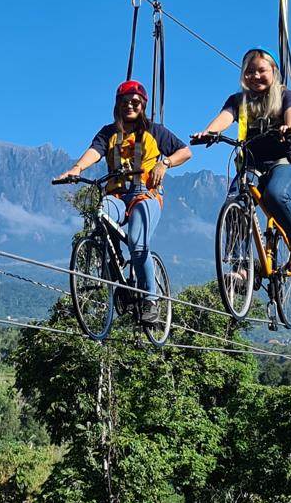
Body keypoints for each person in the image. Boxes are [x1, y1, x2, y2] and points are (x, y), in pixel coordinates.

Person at [55, 80, 192, 323]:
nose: (130, 106)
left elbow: (185, 151)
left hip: (145, 195)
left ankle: (151, 298)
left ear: (143, 105)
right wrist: (76, 169)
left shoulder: (155, 131)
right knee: (101, 213)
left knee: (138, 243)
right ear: (117, 105)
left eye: (135, 102)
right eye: (125, 102)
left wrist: (165, 163)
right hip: (116, 195)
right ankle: (115, 268)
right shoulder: (108, 133)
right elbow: (94, 152)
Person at [191, 48, 291, 272]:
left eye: (261, 70)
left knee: (274, 194)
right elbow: (224, 118)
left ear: (274, 72)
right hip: (253, 164)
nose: (255, 76)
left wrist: (290, 128)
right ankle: (240, 268)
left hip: (287, 162)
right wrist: (208, 132)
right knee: (234, 202)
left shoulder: (287, 96)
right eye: (249, 71)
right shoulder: (238, 100)